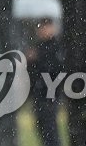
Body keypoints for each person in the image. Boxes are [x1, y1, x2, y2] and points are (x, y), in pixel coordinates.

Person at [26, 17, 63, 146]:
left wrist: (37, 57)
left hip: (50, 93)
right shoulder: (38, 46)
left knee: (50, 128)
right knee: (42, 127)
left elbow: (53, 69)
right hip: (39, 93)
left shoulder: (54, 47)